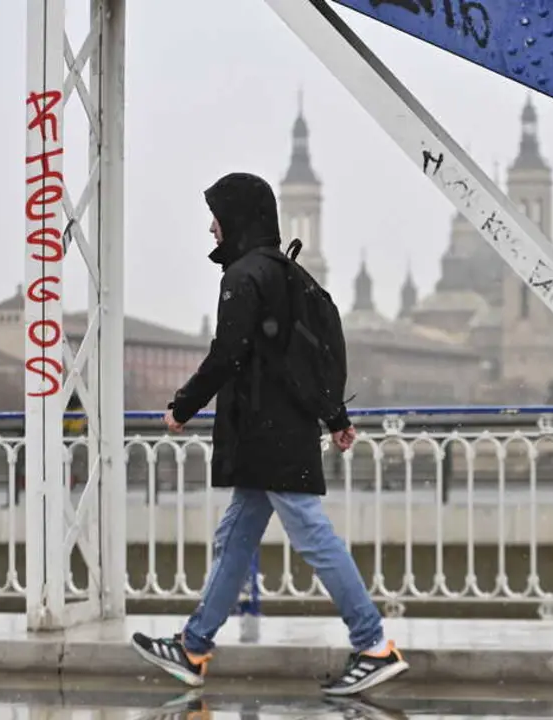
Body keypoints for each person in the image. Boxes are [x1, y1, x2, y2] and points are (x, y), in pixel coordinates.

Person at [130, 172, 408, 696]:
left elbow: (228, 353)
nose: (211, 227)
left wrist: (183, 405)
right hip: (278, 431)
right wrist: (335, 416)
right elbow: (301, 356)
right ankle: (193, 647)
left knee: (312, 534)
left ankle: (373, 645)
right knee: (235, 538)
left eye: (216, 215)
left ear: (236, 217)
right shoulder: (286, 272)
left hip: (267, 432)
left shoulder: (244, 276)